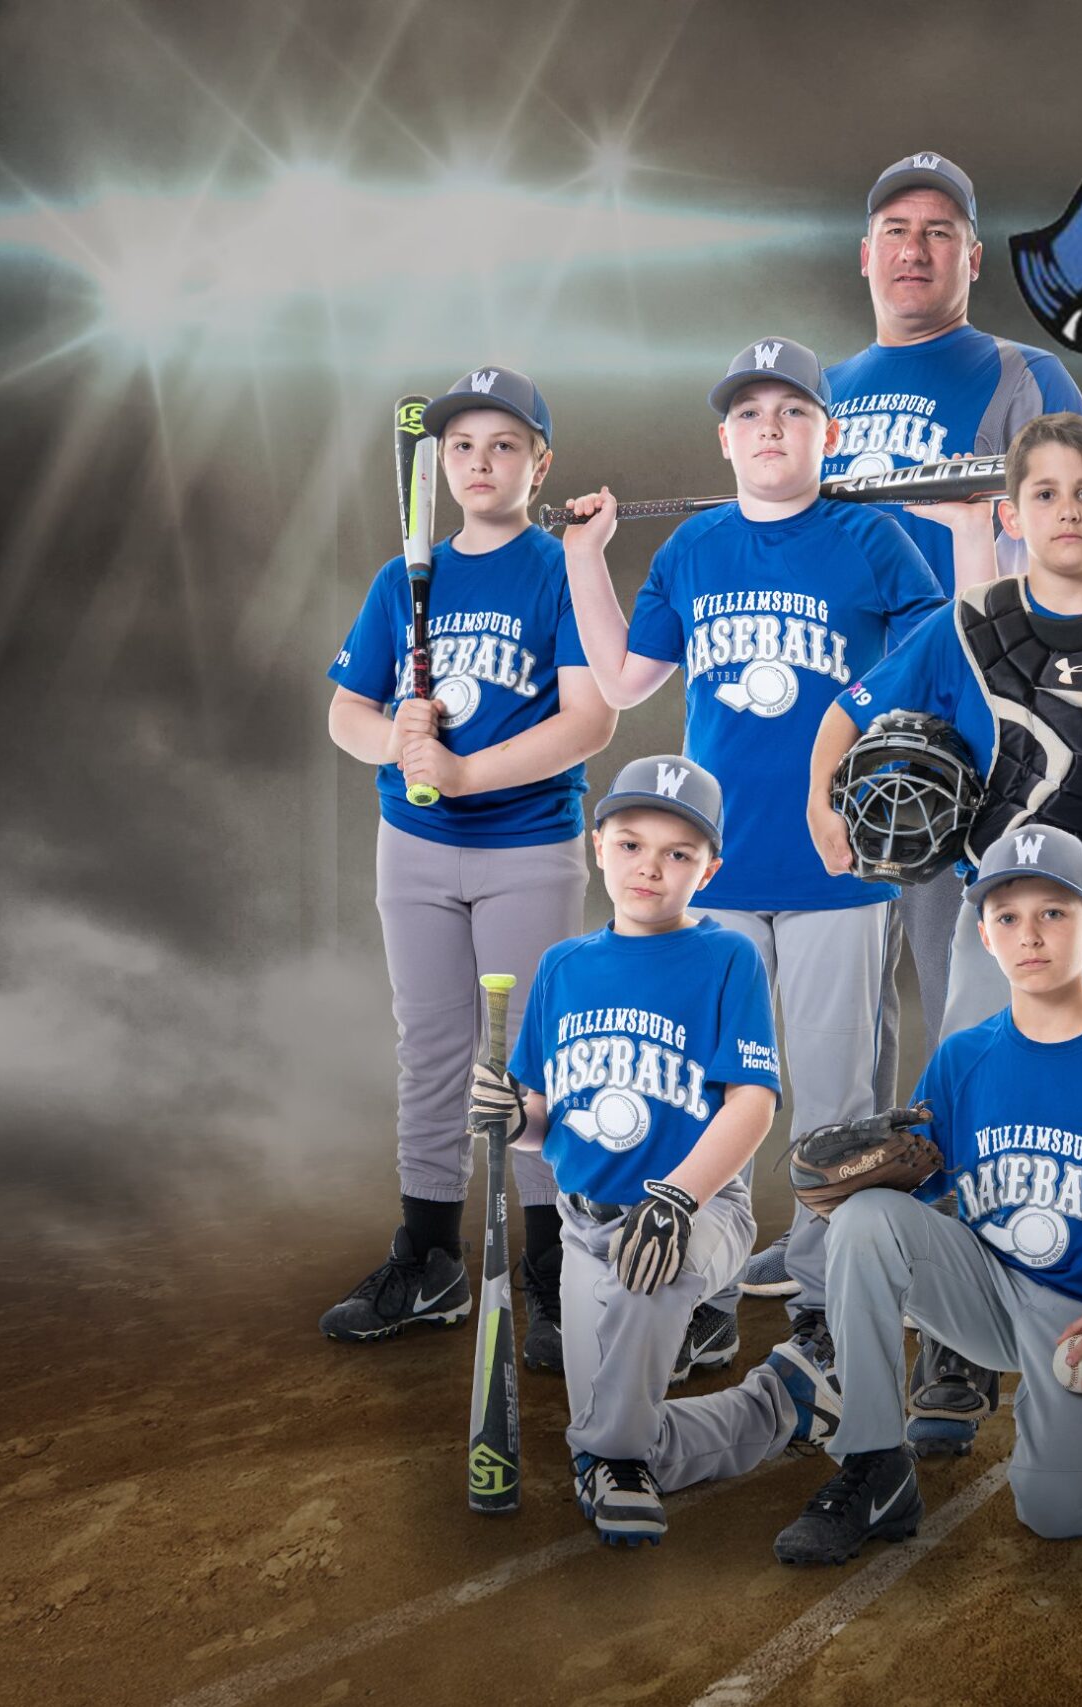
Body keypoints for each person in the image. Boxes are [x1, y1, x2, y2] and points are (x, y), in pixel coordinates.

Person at [809, 411, 1082, 1455]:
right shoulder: (971, 624)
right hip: (1003, 912)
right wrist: (823, 809)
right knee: (967, 1108)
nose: (1067, 511)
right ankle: (954, 1355)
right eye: (1044, 494)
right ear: (1011, 514)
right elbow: (848, 710)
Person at [556, 337, 957, 1393]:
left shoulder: (871, 538)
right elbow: (623, 679)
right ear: (724, 440)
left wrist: (863, 716)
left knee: (832, 1102)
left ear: (830, 433)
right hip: (710, 876)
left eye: (792, 412)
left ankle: (826, 1307)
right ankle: (703, 1297)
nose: (769, 427)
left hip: (837, 866)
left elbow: (937, 655)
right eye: (749, 414)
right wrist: (586, 557)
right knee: (706, 1096)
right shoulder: (694, 548)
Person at [774, 828, 1082, 1565]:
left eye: (1054, 912)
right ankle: (875, 1462)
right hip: (982, 1292)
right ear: (984, 935)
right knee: (864, 1218)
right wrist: (855, 1188)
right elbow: (915, 1188)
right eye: (1008, 916)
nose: (1030, 935)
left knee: (1057, 1516)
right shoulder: (963, 1057)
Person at [320, 366, 615, 1375]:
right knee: (433, 1047)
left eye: (504, 445)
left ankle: (552, 1269)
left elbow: (590, 719)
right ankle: (432, 1257)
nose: (480, 463)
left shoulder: (558, 569)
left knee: (529, 1059)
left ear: (541, 462)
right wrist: (394, 739)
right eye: (460, 447)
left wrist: (463, 771)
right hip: (412, 844)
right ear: (438, 464)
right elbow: (346, 711)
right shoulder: (406, 578)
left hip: (526, 843)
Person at [822, 151, 1082, 1119]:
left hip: (969, 732)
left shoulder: (1024, 374)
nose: (915, 248)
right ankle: (849, 1200)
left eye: (939, 232)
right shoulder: (823, 390)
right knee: (838, 1016)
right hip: (843, 718)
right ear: (865, 254)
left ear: (972, 258)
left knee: (964, 995)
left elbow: (1073, 542)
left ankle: (983, 1182)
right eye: (896, 230)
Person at [489, 755, 782, 1546]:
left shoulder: (728, 957)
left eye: (677, 852)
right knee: (620, 1430)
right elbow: (547, 1122)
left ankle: (612, 1458)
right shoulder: (562, 967)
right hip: (586, 1228)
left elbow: (752, 1102)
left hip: (701, 1207)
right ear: (597, 848)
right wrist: (510, 1117)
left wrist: (678, 1197)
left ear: (709, 870)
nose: (649, 866)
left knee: (657, 1270)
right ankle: (778, 1403)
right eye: (630, 844)